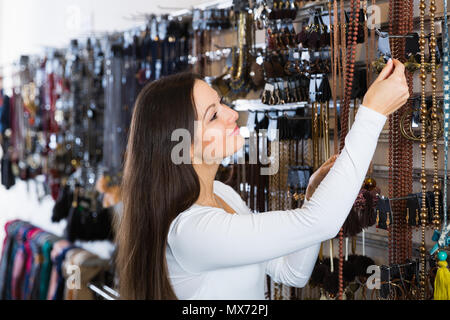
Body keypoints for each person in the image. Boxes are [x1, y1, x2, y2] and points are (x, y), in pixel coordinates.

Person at [115, 58, 410, 300]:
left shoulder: (222, 194)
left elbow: (290, 272)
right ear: (181, 144)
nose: (232, 114)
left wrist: (312, 195)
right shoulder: (191, 231)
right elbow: (322, 222)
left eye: (222, 104)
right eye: (213, 115)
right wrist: (372, 113)